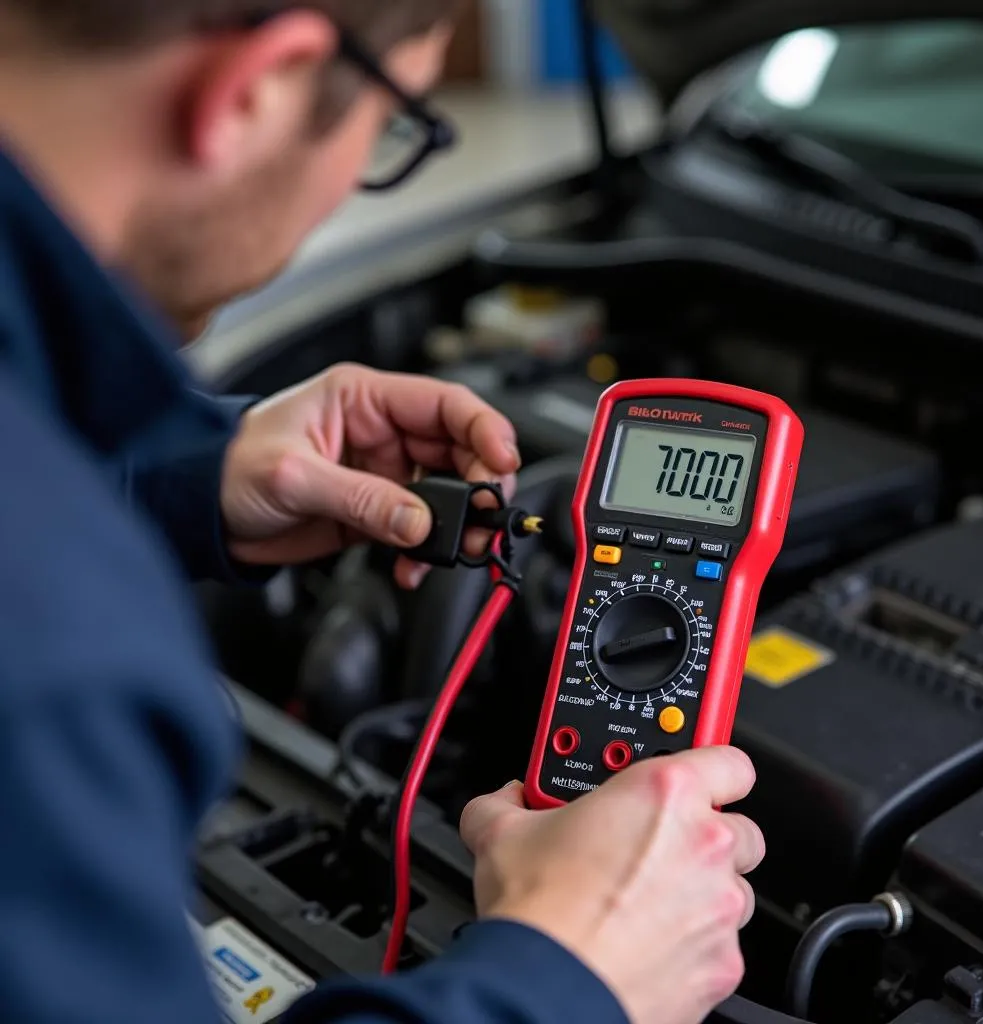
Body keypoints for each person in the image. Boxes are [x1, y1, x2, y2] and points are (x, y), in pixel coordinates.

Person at [0, 2, 765, 1023]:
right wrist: (570, 974)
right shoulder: (55, 658)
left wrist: (184, 474)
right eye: (396, 127)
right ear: (259, 90)